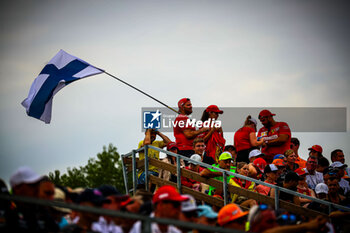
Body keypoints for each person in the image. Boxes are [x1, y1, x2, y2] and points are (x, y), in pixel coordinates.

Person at [8, 166, 59, 233]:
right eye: (32, 185)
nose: (36, 189)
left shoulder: (42, 212)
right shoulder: (9, 212)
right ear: (17, 188)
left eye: (37, 185)